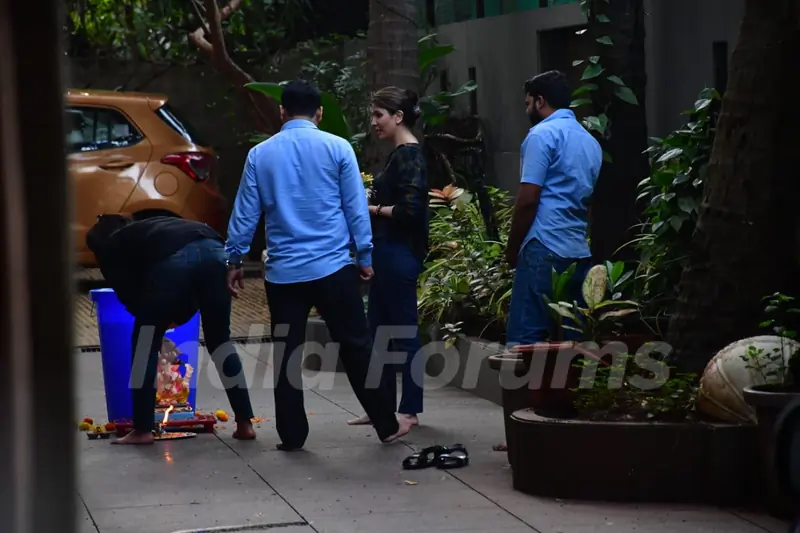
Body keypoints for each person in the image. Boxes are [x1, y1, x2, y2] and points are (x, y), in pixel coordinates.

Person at [225, 79, 413, 451]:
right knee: (357, 346)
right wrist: (364, 256)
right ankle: (387, 426)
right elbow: (355, 208)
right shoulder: (337, 147)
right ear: (320, 112)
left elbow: (245, 213)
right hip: (333, 268)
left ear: (282, 112)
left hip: (284, 273)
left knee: (287, 355)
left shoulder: (260, 155)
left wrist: (233, 258)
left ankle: (292, 437)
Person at [86, 214, 256, 445]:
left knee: (143, 343)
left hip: (177, 260)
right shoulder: (151, 228)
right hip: (216, 250)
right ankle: (245, 423)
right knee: (220, 341)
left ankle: (142, 429)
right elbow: (196, 265)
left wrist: (162, 322)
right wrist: (177, 314)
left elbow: (130, 298)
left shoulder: (111, 247)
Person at [347, 87, 429, 428]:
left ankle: (408, 410)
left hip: (398, 253)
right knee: (376, 331)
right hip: (386, 253)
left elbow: (412, 210)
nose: (374, 122)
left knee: (403, 331)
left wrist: (371, 208)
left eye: (379, 115)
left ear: (398, 117)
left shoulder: (409, 155)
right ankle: (380, 406)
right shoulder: (399, 154)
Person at [504, 70, 602, 347]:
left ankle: (523, 392)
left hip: (543, 246)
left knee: (525, 342)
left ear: (539, 100)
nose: (527, 110)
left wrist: (512, 249)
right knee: (573, 345)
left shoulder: (541, 135)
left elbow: (528, 198)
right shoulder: (590, 142)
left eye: (527, 103)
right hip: (578, 252)